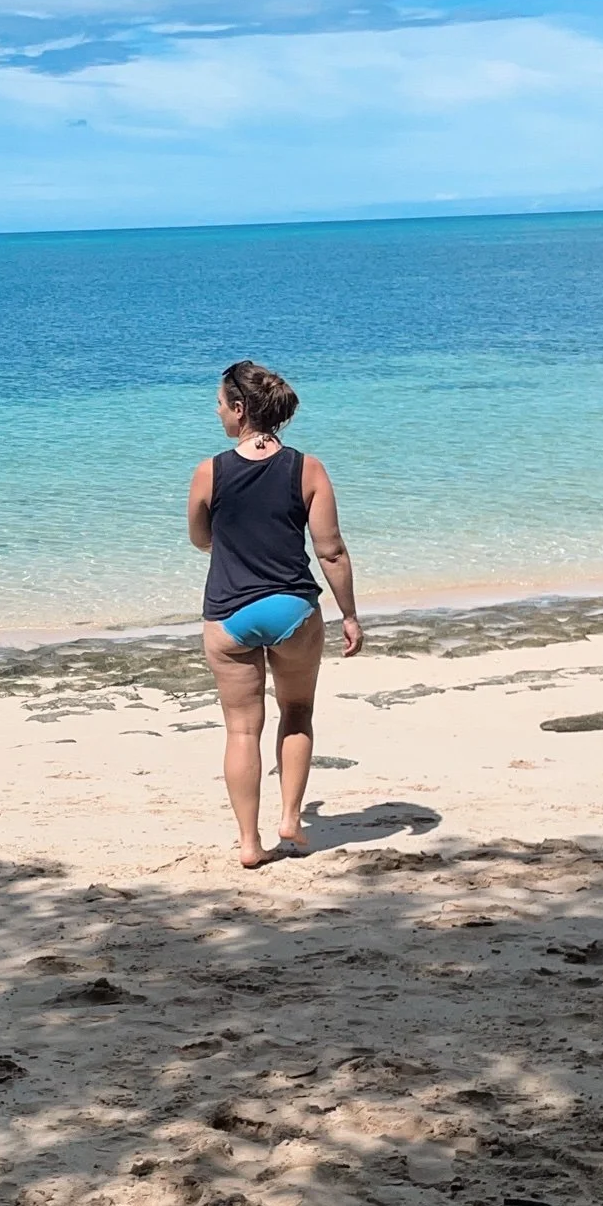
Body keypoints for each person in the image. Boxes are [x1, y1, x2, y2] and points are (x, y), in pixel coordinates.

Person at [187, 359, 363, 867]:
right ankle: (290, 818)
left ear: (240, 410)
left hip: (228, 614)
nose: (218, 412)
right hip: (292, 609)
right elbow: (330, 550)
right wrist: (349, 615)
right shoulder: (307, 468)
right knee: (298, 713)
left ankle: (249, 844)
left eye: (221, 404)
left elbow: (201, 538)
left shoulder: (209, 471)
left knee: (242, 729)